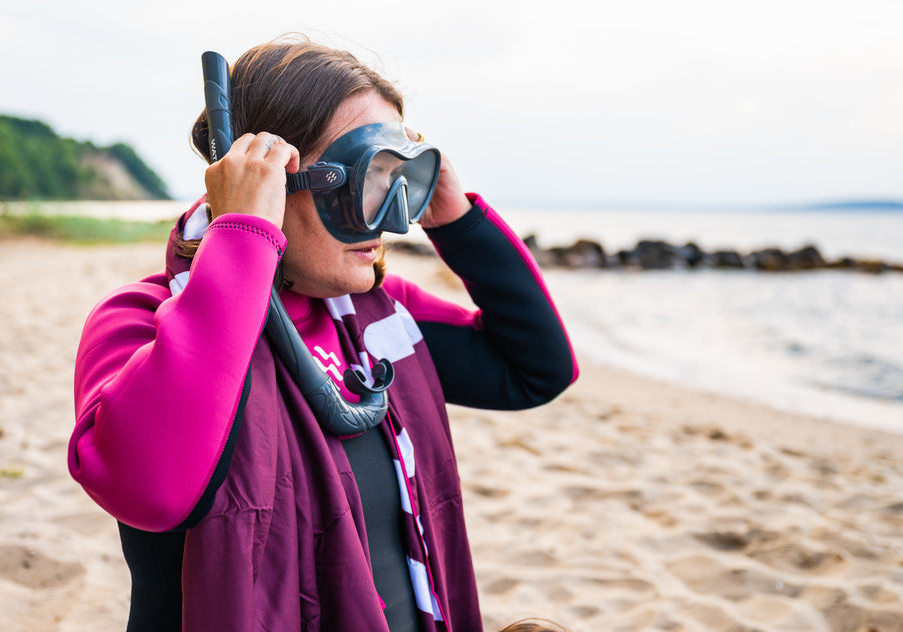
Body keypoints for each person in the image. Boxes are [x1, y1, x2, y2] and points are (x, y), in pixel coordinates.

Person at [69, 34, 578, 632]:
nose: (392, 220)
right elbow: (151, 488)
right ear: (267, 180)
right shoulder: (141, 320)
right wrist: (241, 235)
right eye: (368, 179)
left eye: (401, 180)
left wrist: (454, 215)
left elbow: (535, 369)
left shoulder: (378, 317)